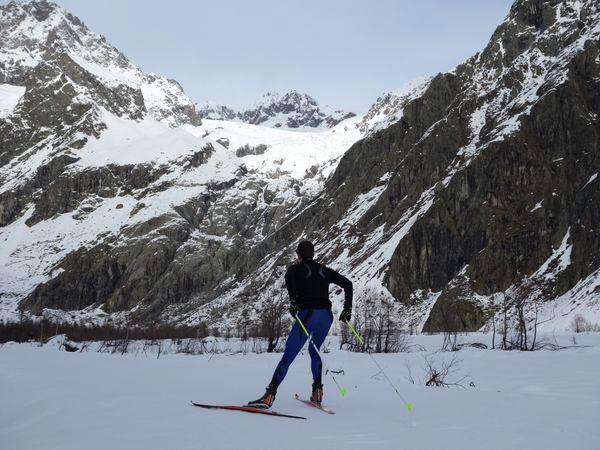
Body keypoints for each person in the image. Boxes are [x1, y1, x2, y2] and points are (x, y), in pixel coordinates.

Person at [247, 240, 353, 409]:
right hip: (326, 316)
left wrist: (294, 302)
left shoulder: (295, 269)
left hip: (308, 315)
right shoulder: (324, 270)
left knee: (289, 354)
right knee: (314, 350)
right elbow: (348, 284)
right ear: (313, 254)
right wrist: (347, 310)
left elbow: (289, 277)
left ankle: (269, 396)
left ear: (299, 255)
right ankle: (317, 393)